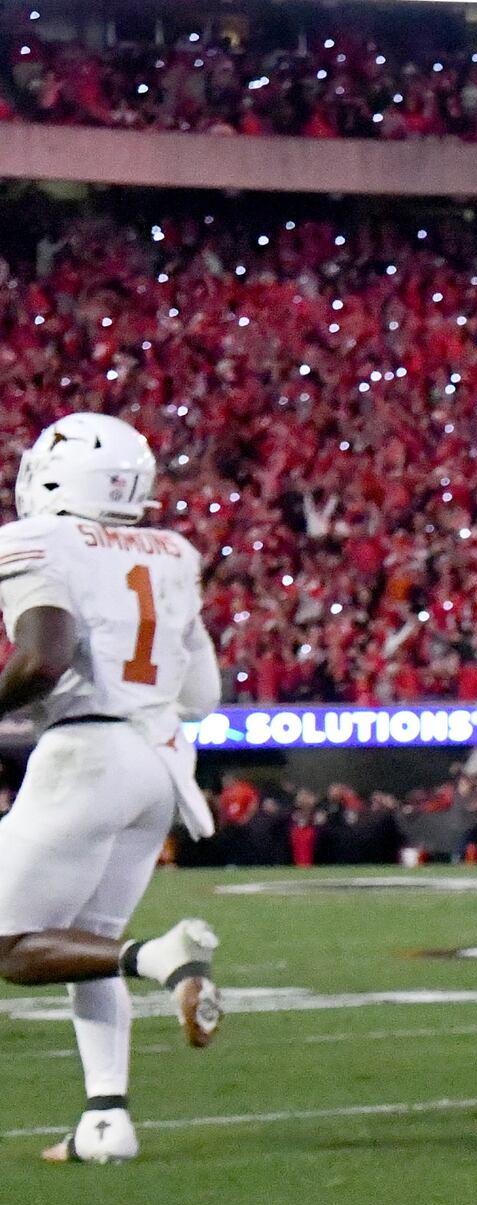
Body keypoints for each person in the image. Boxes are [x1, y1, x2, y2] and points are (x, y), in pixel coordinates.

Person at [3, 414, 225, 1166]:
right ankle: (106, 1120)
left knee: (10, 947)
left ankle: (161, 959)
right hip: (155, 766)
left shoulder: (40, 540)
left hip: (86, 756)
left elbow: (42, 658)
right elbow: (204, 692)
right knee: (89, 948)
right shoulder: (174, 552)